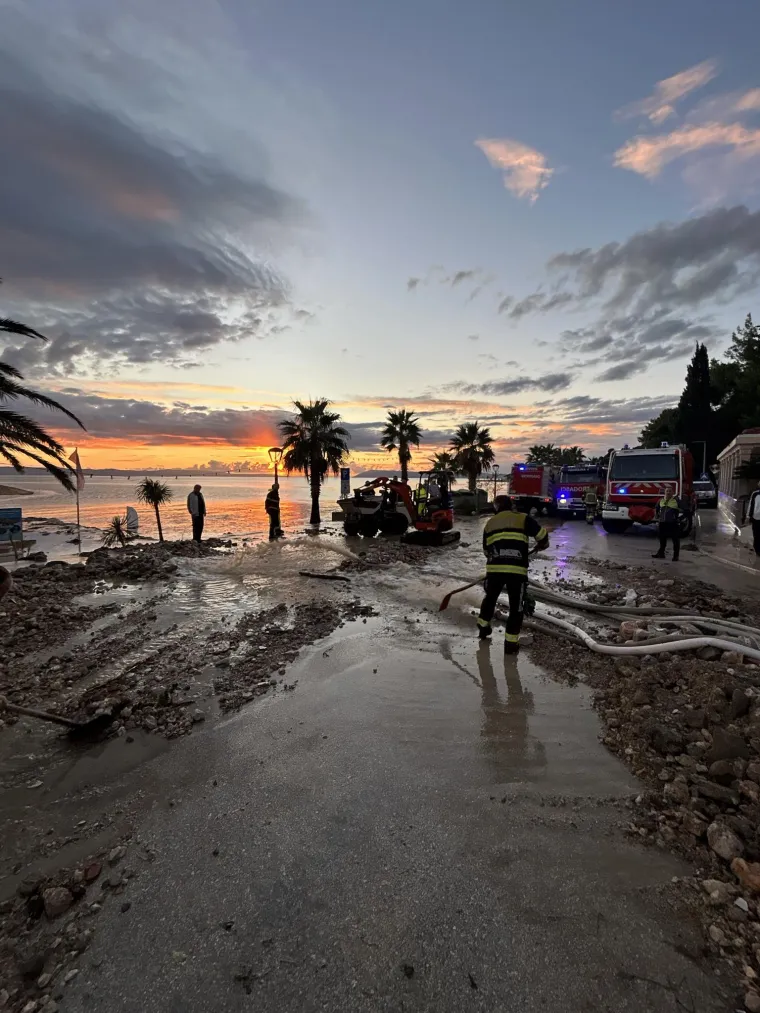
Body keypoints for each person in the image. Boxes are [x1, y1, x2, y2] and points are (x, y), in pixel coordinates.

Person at [478, 494, 549, 654]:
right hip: (516, 571)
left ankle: (483, 628)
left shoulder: (489, 524)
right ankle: (510, 644)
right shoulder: (523, 519)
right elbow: (542, 535)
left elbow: (485, 551)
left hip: (495, 570)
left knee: (489, 599)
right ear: (511, 506)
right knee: (516, 607)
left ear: (495, 508)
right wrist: (542, 544)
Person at [652, 491, 682, 562]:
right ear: (665, 492)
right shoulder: (661, 500)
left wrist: (679, 519)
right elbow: (657, 508)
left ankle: (676, 556)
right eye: (667, 491)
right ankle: (661, 553)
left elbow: (686, 510)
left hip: (673, 523)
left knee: (675, 540)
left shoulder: (676, 501)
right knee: (662, 539)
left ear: (672, 493)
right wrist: (657, 515)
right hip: (662, 523)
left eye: (670, 491)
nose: (668, 493)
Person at [748, 481, 760, 556]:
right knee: (756, 534)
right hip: (755, 517)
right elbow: (751, 505)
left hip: (756, 517)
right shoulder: (755, 494)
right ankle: (757, 550)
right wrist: (748, 516)